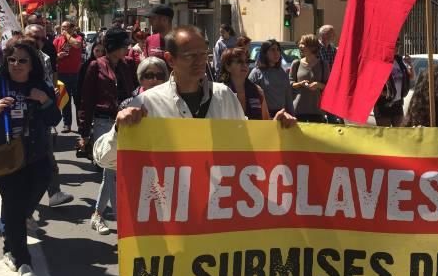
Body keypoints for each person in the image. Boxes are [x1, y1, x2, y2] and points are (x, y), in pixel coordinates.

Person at [93, 26, 296, 170]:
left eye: (203, 54)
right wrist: (120, 131)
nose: (201, 61)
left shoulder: (223, 96)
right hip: (169, 217)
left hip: (216, 212)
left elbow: (246, 145)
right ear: (170, 59)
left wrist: (274, 131)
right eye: (191, 55)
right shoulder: (146, 103)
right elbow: (103, 159)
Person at [0, 40, 60, 276]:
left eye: (22, 60)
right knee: (13, 205)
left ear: (32, 64)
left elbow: (54, 118)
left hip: (36, 155)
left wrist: (44, 99)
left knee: (23, 205)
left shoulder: (41, 86)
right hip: (6, 157)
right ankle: (22, 260)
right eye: (12, 60)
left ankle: (12, 236)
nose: (17, 65)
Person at [79, 28, 137, 235]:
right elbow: (86, 99)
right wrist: (83, 132)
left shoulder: (128, 65)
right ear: (114, 45)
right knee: (112, 172)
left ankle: (98, 215)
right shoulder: (95, 66)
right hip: (104, 122)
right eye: (124, 44)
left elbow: (135, 92)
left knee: (111, 173)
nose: (128, 48)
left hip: (125, 122)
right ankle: (122, 221)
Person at [22, 27, 74, 208]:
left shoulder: (44, 57)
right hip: (19, 119)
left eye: (43, 38)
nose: (39, 41)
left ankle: (54, 193)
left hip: (41, 116)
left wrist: (48, 98)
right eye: (35, 37)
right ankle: (22, 208)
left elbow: (50, 81)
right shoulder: (11, 58)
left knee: (47, 157)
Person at [220, 47, 269, 120]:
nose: (245, 65)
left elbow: (266, 121)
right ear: (227, 67)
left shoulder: (258, 91)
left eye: (247, 62)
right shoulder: (220, 93)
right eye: (239, 61)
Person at [248, 39, 293, 117]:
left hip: (283, 115)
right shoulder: (256, 73)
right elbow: (250, 98)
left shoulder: (282, 72)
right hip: (264, 116)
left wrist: (292, 114)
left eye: (278, 50)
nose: (276, 53)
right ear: (265, 53)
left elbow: (288, 96)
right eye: (272, 50)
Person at [290, 34, 329, 123]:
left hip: (318, 111)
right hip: (298, 111)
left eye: (303, 44)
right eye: (299, 44)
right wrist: (300, 84)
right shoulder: (296, 64)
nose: (300, 46)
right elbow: (290, 84)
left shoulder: (323, 65)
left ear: (312, 47)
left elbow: (329, 87)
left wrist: (318, 85)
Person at [53, 21, 84, 133]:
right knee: (65, 100)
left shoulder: (78, 37)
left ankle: (81, 124)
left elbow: (76, 44)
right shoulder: (57, 40)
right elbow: (51, 56)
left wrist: (66, 35)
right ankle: (67, 124)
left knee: (78, 100)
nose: (63, 29)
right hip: (62, 74)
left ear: (72, 28)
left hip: (76, 74)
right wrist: (57, 56)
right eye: (62, 28)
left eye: (66, 27)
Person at [373, 47, 413, 127]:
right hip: (383, 106)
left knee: (399, 135)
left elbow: (410, 77)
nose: (397, 47)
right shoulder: (380, 61)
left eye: (398, 44)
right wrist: (385, 93)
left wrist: (410, 65)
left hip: (397, 105)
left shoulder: (399, 60)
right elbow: (373, 82)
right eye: (395, 44)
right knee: (385, 136)